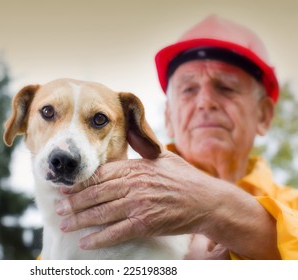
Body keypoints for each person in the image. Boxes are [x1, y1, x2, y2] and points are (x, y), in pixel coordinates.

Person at [54, 15, 298, 259]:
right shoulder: (96, 195)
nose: (205, 102)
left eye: (226, 87)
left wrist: (217, 209)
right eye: (188, 89)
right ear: (169, 116)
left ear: (264, 115)